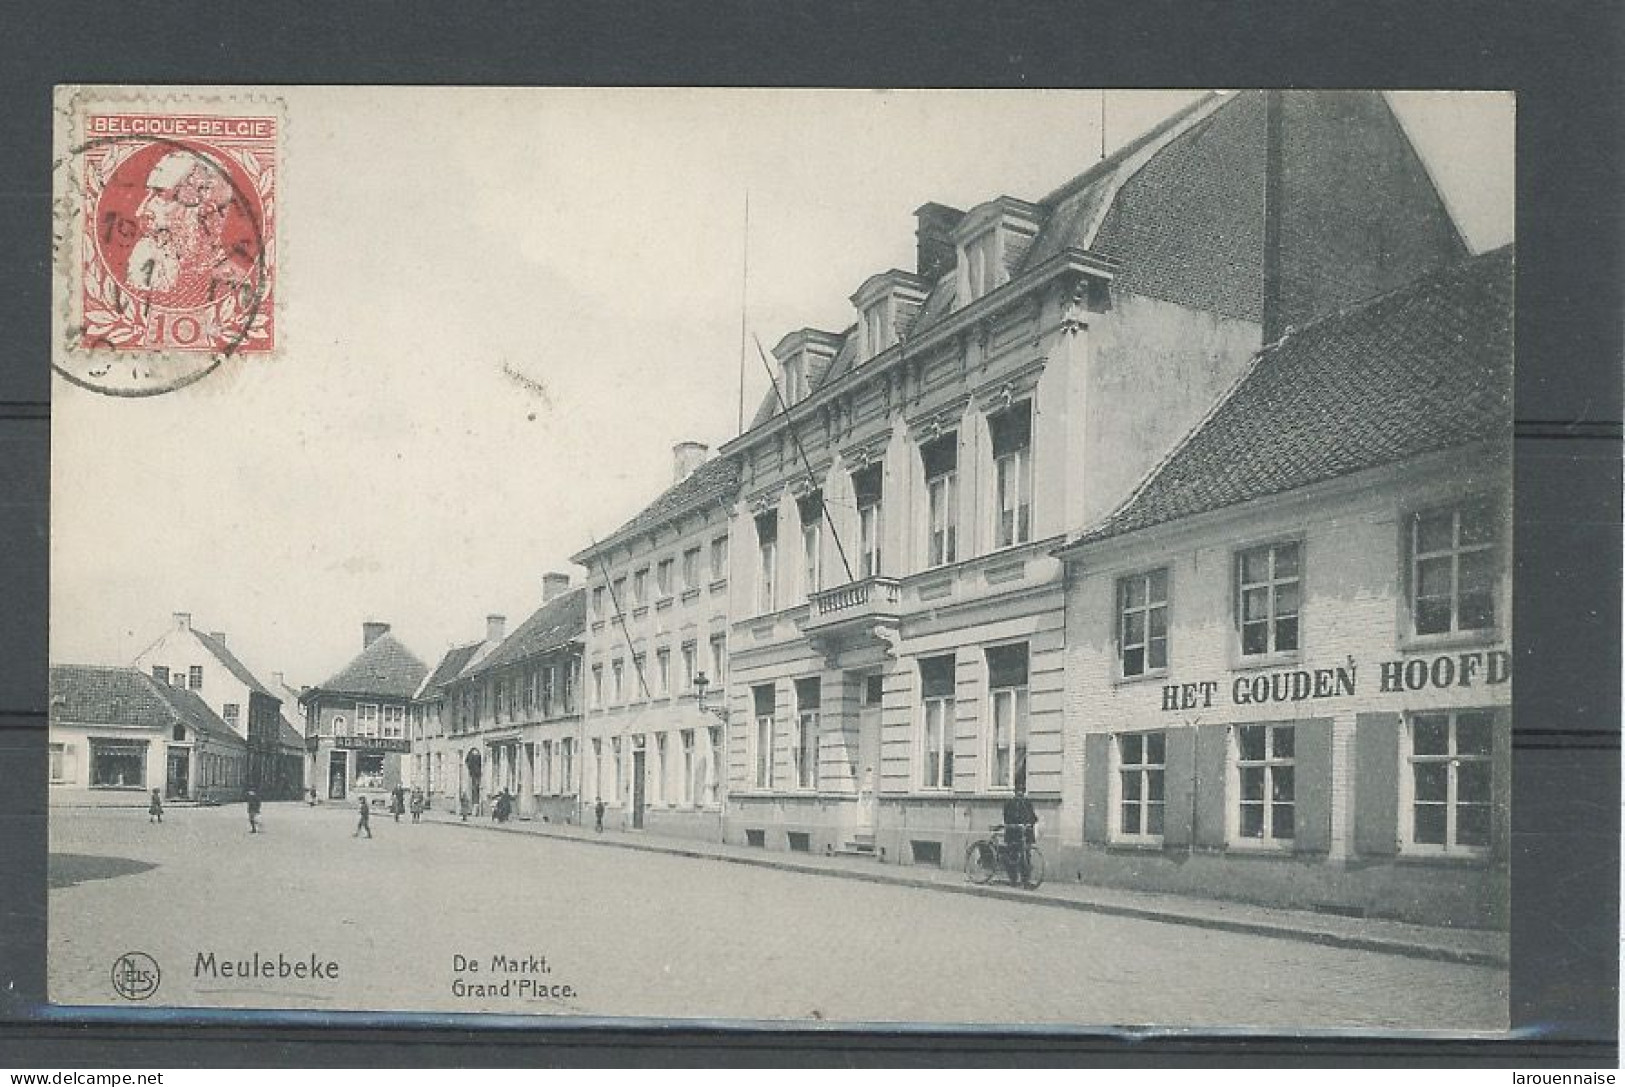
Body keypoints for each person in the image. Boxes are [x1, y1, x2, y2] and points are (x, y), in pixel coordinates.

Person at [1001, 779, 1039, 888]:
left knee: (1026, 857)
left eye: (1022, 791)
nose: (1020, 793)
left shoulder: (1027, 803)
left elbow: (1033, 817)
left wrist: (1029, 824)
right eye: (1018, 791)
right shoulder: (1009, 803)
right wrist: (1015, 825)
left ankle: (1025, 881)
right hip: (1013, 834)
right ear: (1015, 792)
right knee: (1012, 856)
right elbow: (1006, 818)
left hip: (1025, 835)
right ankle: (1013, 880)